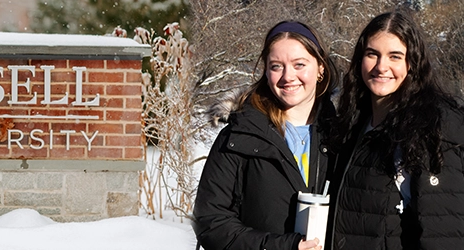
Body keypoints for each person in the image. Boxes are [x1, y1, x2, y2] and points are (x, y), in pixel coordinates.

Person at [193, 20, 337, 250]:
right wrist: (280, 247)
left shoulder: (342, 136)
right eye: (276, 66)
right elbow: (211, 223)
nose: (288, 76)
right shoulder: (239, 135)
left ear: (321, 68)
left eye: (299, 64)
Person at [329, 11, 464, 249]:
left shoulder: (433, 128)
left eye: (395, 56)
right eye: (373, 54)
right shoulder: (354, 123)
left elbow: (442, 233)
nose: (382, 67)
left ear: (412, 64)